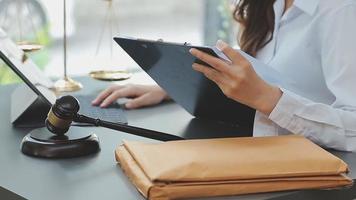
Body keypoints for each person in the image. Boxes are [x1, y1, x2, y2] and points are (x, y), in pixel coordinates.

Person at [92, 0, 356, 151]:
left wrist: (270, 100)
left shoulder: (342, 9)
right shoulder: (270, 5)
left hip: (307, 167)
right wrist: (175, 82)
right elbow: (258, 74)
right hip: (250, 145)